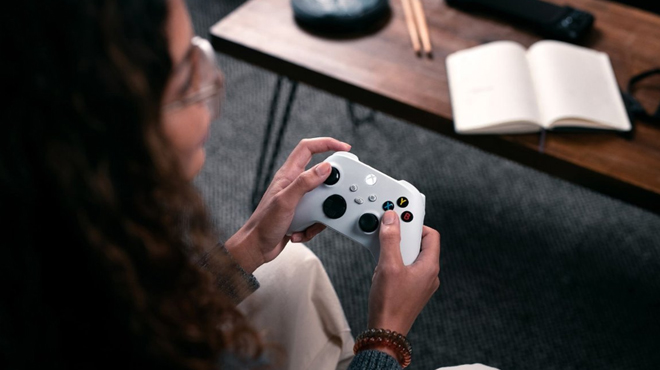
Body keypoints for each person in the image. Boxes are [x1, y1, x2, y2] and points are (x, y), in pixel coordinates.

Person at [1, 0, 441, 369]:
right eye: (185, 76)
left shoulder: (61, 248)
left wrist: (250, 244)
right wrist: (387, 337)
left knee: (291, 269)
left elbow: (156, 312)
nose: (215, 81)